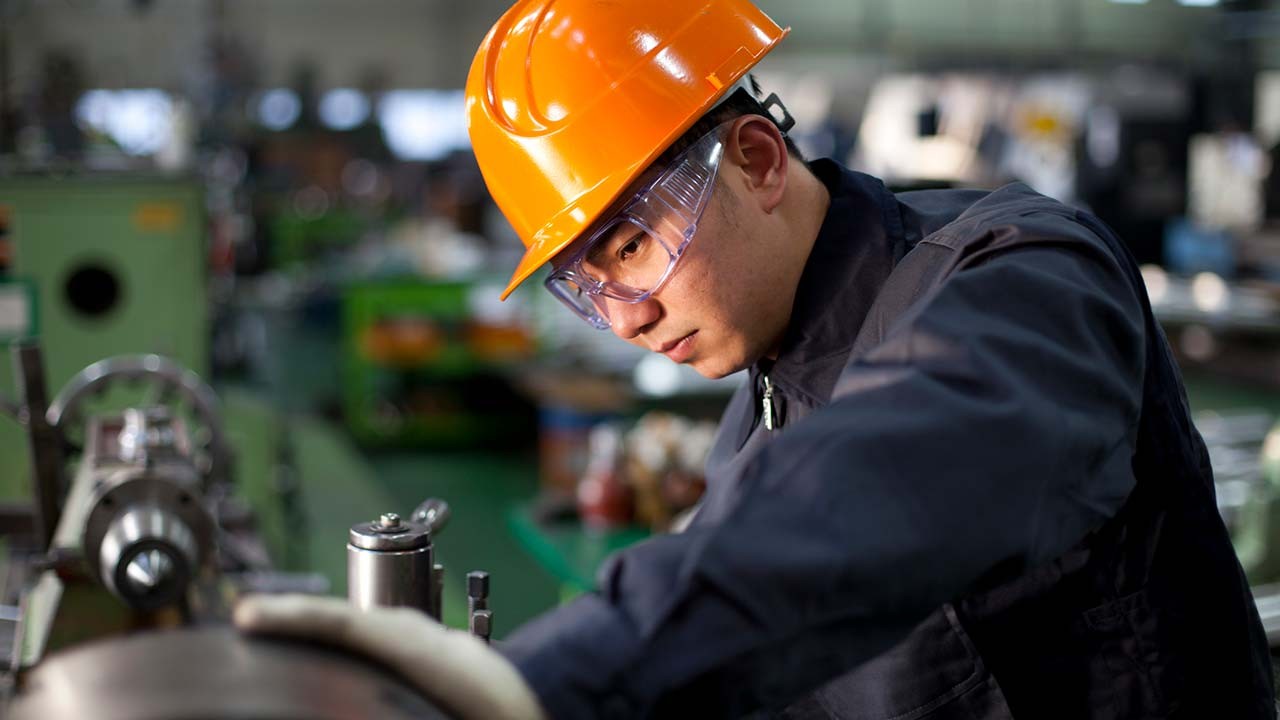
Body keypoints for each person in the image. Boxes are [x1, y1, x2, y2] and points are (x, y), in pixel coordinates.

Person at [235, 1, 1276, 718]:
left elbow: (870, 495)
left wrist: (542, 682)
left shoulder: (1020, 276)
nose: (625, 317)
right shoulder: (756, 420)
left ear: (754, 160)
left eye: (632, 248)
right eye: (586, 286)